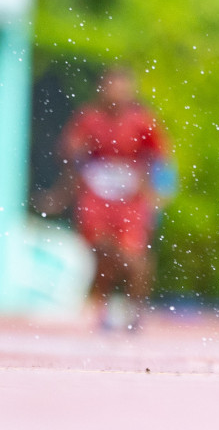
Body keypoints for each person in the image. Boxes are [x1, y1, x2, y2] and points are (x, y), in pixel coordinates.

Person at [57, 66, 170, 331]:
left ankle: (135, 310)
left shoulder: (143, 120)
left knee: (134, 257)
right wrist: (74, 165)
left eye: (122, 87)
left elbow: (161, 158)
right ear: (101, 90)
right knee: (101, 250)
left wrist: (159, 193)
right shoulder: (88, 118)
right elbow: (70, 152)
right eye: (110, 87)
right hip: (96, 198)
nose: (116, 93)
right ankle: (102, 305)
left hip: (132, 199)